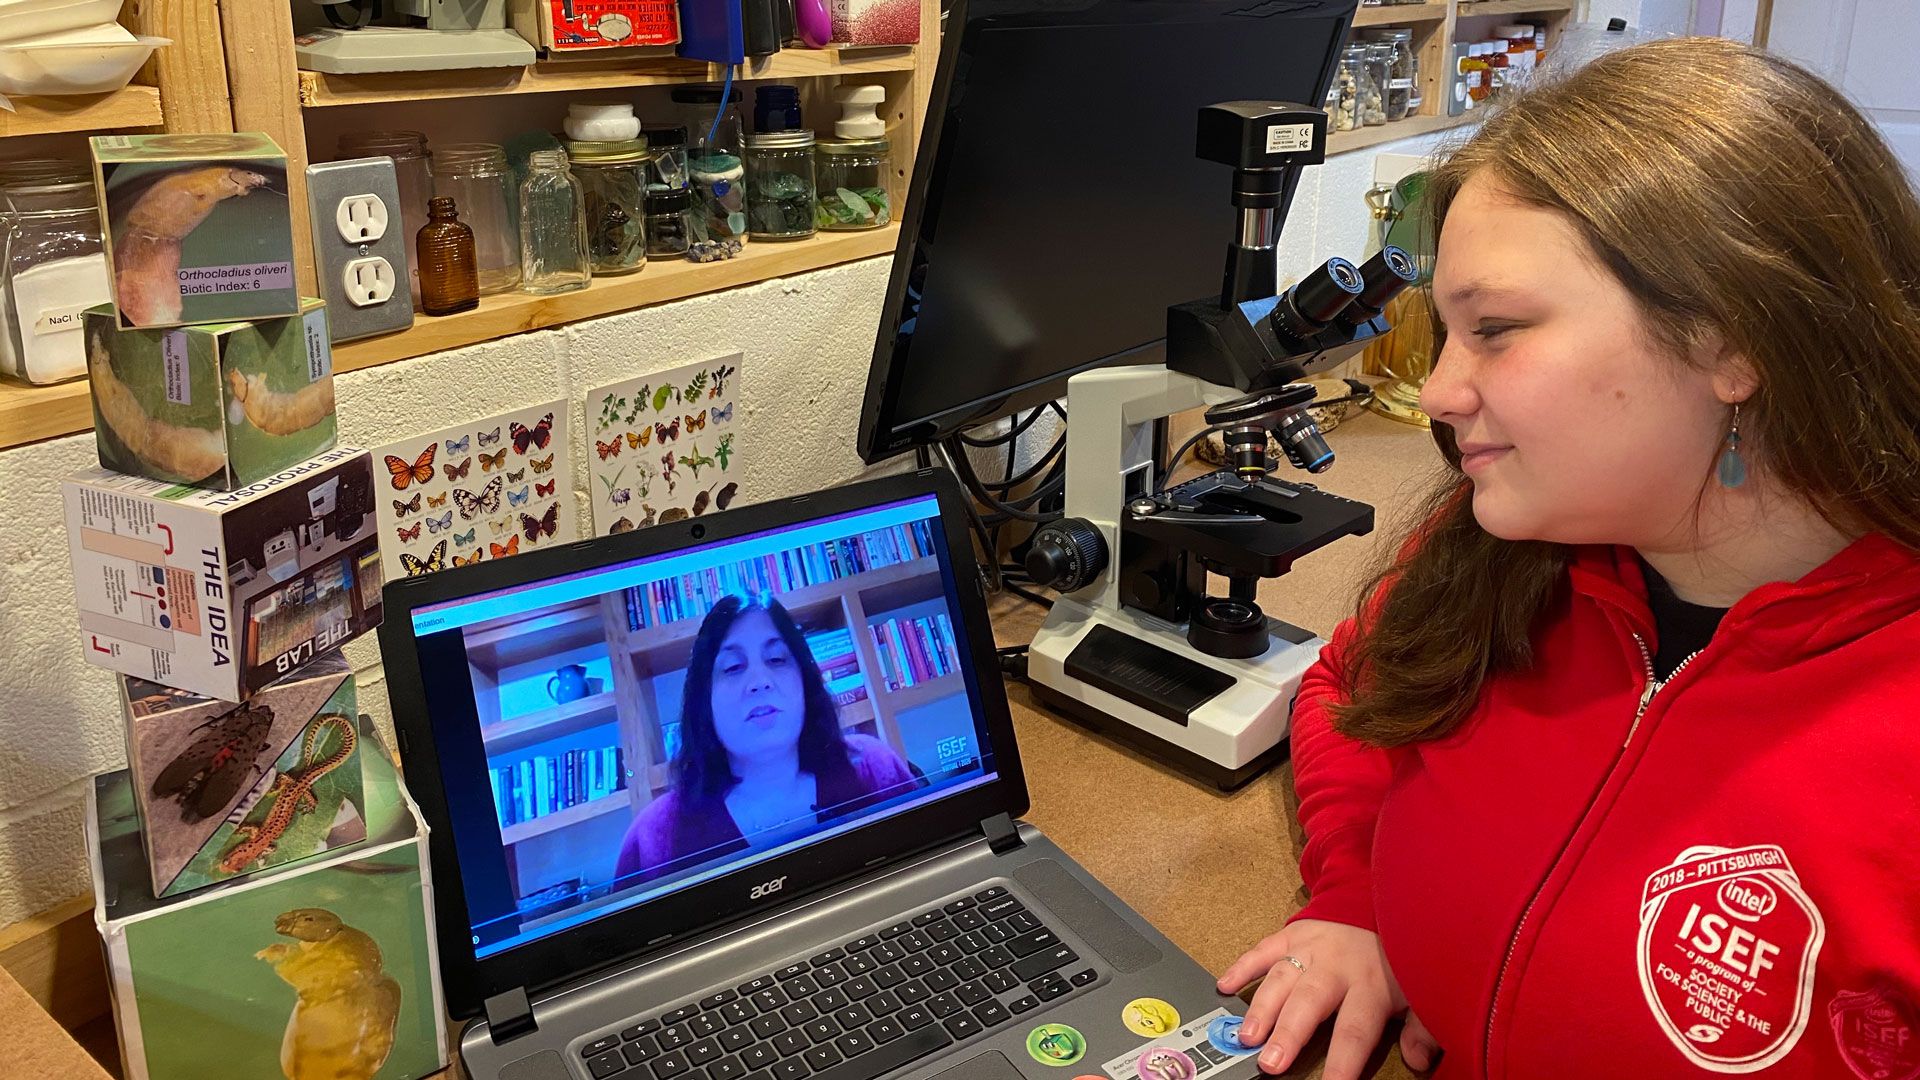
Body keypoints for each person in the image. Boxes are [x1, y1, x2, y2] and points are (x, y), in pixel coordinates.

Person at [1217, 38, 1920, 1080]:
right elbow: (1351, 691)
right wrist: (1364, 903)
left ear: (1734, 337)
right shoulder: (1506, 557)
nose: (1447, 393)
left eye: (1495, 329)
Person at [616, 594, 922, 884]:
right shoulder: (654, 836)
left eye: (776, 659)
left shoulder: (873, 767)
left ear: (804, 679)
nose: (760, 682)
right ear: (704, 698)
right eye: (733, 667)